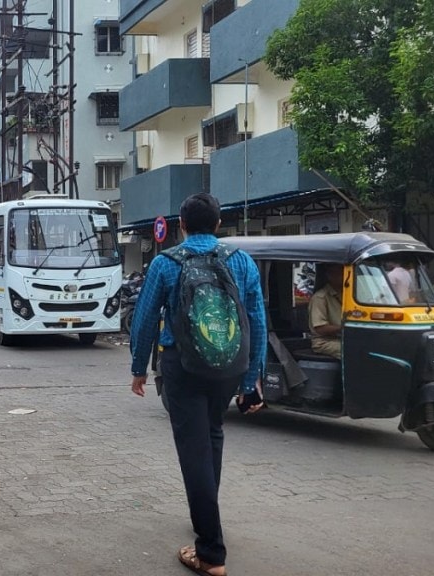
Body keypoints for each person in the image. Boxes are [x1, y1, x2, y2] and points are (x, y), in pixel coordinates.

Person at [129, 193, 266, 576]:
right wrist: (252, 377)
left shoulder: (165, 262)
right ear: (219, 224)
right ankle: (206, 517)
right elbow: (256, 320)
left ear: (181, 224)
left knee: (194, 452)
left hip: (183, 366)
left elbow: (144, 319)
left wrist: (139, 367)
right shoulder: (241, 261)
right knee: (213, 435)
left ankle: (210, 553)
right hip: (228, 366)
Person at [309, 262, 343, 359]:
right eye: (340, 273)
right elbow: (320, 328)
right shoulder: (320, 297)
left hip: (342, 338)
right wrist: (344, 327)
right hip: (324, 341)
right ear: (330, 275)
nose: (344, 276)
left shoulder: (347, 294)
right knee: (354, 349)